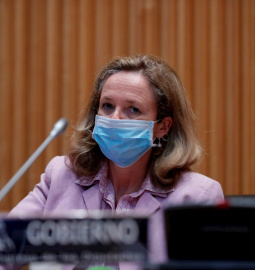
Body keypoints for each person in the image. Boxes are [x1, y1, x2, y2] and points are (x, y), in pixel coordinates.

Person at [7, 55, 224, 269]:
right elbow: (6, 247)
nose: (114, 119)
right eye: (108, 106)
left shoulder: (196, 196)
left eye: (133, 110)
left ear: (163, 127)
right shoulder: (62, 175)